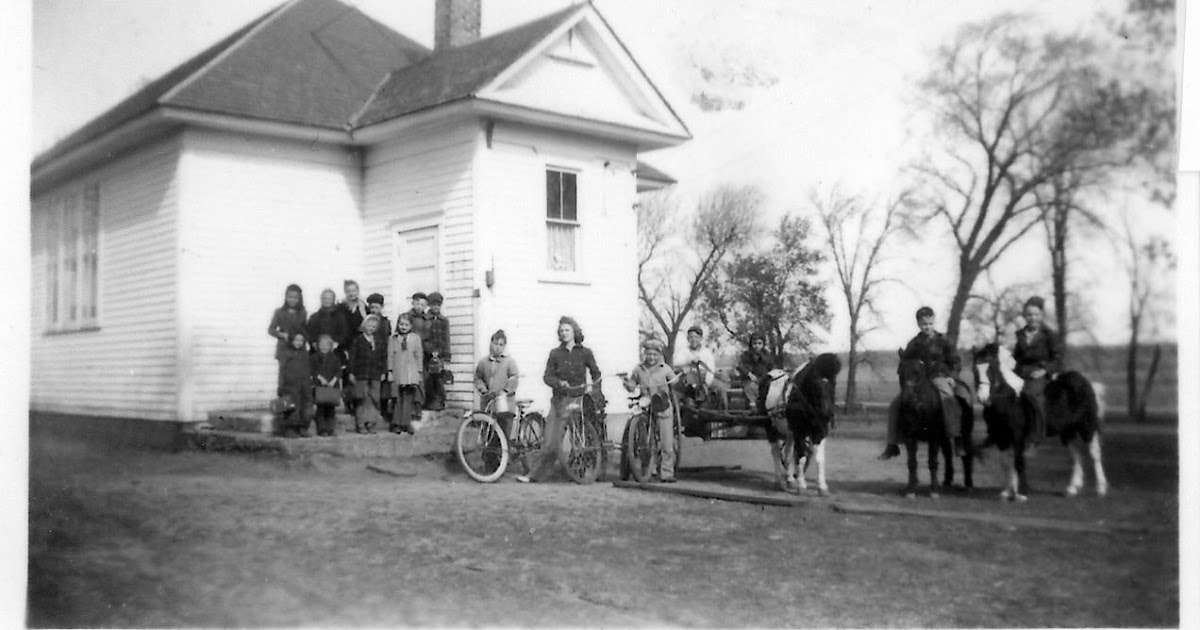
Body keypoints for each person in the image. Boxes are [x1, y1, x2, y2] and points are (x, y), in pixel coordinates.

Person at [517, 316, 601, 483]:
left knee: (580, 440)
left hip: (577, 399)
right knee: (550, 441)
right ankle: (534, 475)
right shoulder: (555, 353)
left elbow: (596, 373)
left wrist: (595, 390)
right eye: (561, 331)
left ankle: (581, 471)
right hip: (559, 400)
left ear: (574, 331)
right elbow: (547, 377)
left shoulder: (585, 352)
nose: (564, 333)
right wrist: (558, 383)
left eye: (567, 330)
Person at [878, 306, 966, 460]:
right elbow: (905, 362)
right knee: (895, 405)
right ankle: (892, 444)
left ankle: (956, 437)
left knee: (948, 398)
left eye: (930, 323)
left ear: (934, 322)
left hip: (939, 377)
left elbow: (956, 362)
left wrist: (952, 377)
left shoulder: (944, 341)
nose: (927, 327)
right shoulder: (914, 343)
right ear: (918, 324)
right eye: (924, 324)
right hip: (918, 380)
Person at [623, 339, 679, 483]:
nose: (651, 357)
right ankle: (648, 470)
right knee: (645, 442)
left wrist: (675, 380)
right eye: (649, 354)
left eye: (655, 354)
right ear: (645, 354)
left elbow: (674, 381)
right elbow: (632, 386)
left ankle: (667, 473)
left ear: (659, 355)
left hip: (662, 406)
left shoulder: (665, 368)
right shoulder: (638, 369)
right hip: (646, 407)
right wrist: (626, 382)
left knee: (666, 443)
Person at [1013, 296, 1062, 444]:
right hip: (1020, 372)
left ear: (1041, 315)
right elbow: (1016, 357)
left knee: (1031, 394)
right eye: (1029, 314)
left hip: (1039, 373)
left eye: (1036, 314)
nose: (1032, 318)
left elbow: (1057, 359)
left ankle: (1037, 434)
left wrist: (1044, 370)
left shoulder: (1049, 335)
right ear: (1024, 316)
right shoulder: (1019, 335)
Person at [474, 329, 520, 436]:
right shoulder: (483, 362)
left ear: (504, 346)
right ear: (491, 344)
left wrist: (506, 391)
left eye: (501, 345)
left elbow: (514, 378)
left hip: (505, 404)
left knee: (503, 433)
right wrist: (483, 389)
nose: (498, 347)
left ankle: (505, 446)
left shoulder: (509, 361)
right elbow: (478, 378)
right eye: (496, 344)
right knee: (488, 433)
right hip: (488, 404)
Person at [348, 314, 387, 434]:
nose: (371, 328)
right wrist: (351, 372)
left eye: (374, 327)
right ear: (364, 325)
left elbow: (383, 357)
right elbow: (352, 358)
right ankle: (361, 424)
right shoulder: (358, 340)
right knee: (362, 399)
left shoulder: (378, 341)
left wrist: (383, 371)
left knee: (374, 398)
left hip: (375, 374)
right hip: (361, 374)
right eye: (369, 326)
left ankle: (371, 423)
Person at [672, 325, 727, 408]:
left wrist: (706, 383)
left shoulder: (706, 352)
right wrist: (688, 363)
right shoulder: (683, 351)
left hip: (704, 377)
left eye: (696, 337)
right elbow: (676, 363)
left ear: (701, 338)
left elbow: (710, 369)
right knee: (680, 392)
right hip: (688, 378)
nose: (693, 339)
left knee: (721, 388)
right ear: (688, 339)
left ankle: (724, 411)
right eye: (691, 337)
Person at [387, 312, 424, 434]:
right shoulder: (393, 339)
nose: (403, 327)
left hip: (410, 373)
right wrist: (390, 371)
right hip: (398, 372)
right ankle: (396, 423)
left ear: (411, 326)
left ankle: (406, 423)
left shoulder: (415, 338)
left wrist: (419, 372)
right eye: (401, 324)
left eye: (406, 325)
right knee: (397, 398)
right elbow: (390, 356)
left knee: (408, 398)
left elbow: (419, 356)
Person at [267, 284, 307, 388]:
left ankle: (297, 396)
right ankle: (283, 396)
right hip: (284, 348)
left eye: (295, 297)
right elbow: (271, 329)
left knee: (297, 374)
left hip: (298, 348)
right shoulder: (279, 312)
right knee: (284, 375)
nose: (292, 300)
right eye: (290, 297)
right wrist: (282, 334)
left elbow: (304, 330)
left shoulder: (302, 312)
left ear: (300, 298)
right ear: (285, 297)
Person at [277, 332, 313, 438]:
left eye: (301, 340)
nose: (298, 343)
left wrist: (309, 383)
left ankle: (302, 428)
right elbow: (282, 370)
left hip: (304, 385)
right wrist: (281, 386)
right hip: (290, 386)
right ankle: (289, 429)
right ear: (291, 340)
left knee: (305, 407)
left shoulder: (305, 354)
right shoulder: (286, 353)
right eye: (296, 340)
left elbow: (308, 369)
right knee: (292, 408)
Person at [423, 291, 452, 415]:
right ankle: (428, 402)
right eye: (433, 305)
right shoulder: (425, 319)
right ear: (429, 305)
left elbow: (446, 339)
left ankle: (440, 402)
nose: (436, 307)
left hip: (440, 356)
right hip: (427, 356)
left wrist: (446, 357)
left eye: (438, 305)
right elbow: (424, 338)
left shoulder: (444, 320)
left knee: (439, 379)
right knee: (428, 379)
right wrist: (430, 350)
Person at [311, 333, 345, 437]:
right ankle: (322, 429)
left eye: (327, 345)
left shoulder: (334, 358)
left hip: (332, 387)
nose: (324, 347)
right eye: (322, 345)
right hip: (320, 386)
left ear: (330, 346)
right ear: (318, 345)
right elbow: (312, 370)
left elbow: (339, 371)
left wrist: (334, 380)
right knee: (320, 409)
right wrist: (320, 378)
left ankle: (330, 429)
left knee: (331, 410)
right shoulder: (314, 357)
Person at [367, 293, 394, 417]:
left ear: (382, 307)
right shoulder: (366, 321)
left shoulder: (385, 323)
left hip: (382, 355)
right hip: (369, 356)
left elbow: (387, 340)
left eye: (376, 307)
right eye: (372, 307)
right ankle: (371, 410)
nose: (374, 310)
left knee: (384, 384)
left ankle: (383, 410)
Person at [737, 333, 776, 412]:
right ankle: (753, 405)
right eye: (754, 343)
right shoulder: (746, 355)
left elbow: (772, 367)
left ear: (763, 344)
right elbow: (741, 366)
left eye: (759, 343)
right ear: (751, 344)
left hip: (763, 379)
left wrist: (770, 375)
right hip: (749, 380)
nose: (757, 346)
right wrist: (749, 374)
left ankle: (768, 406)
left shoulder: (767, 355)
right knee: (751, 387)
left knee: (770, 388)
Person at [306, 289, 350, 355]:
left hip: (336, 352)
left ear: (333, 300)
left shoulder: (340, 317)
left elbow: (344, 333)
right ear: (321, 299)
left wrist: (337, 343)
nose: (327, 301)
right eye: (325, 298)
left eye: (329, 299)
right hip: (317, 352)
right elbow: (309, 333)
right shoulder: (314, 317)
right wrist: (313, 342)